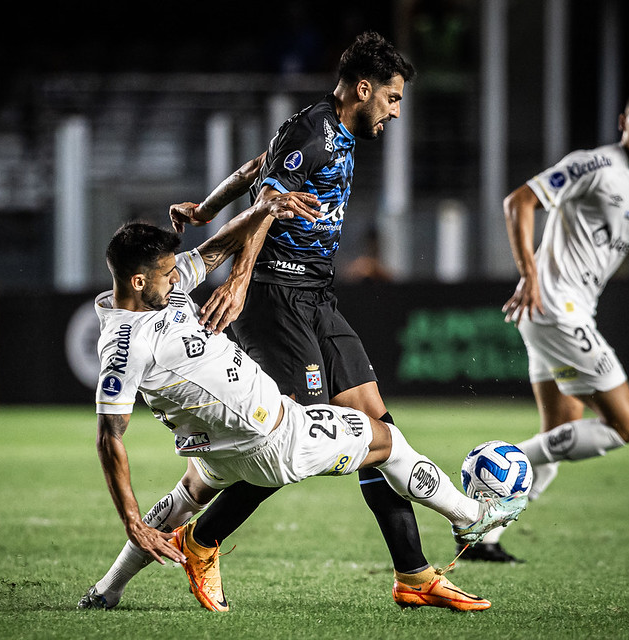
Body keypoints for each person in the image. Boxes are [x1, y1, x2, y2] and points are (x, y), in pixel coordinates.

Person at [79, 210, 527, 613]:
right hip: (272, 442)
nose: (177, 280)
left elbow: (217, 248)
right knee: (387, 441)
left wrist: (265, 207)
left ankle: (107, 590)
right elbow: (108, 437)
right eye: (167, 275)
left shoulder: (161, 292)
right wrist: (131, 521)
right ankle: (469, 517)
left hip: (218, 447)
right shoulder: (124, 348)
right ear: (138, 282)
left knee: (183, 500)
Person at [166, 30, 442, 609]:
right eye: (391, 98)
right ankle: (201, 538)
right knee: (290, 441)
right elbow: (267, 204)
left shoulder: (331, 132)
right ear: (362, 89)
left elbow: (254, 169)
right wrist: (239, 282)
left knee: (375, 428)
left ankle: (414, 577)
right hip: (277, 299)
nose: (394, 111)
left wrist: (206, 208)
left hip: (317, 296)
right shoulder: (310, 132)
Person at [486, 87, 629, 563]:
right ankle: (496, 462)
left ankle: (482, 531)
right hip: (555, 307)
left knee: (561, 428)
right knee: (623, 424)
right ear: (624, 123)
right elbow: (519, 202)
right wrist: (529, 276)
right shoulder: (593, 165)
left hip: (561, 313)